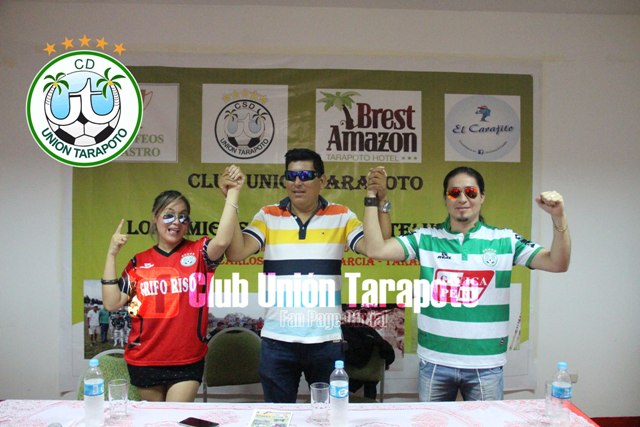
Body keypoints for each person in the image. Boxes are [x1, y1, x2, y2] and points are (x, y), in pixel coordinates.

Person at [364, 165, 571, 402]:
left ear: (482, 197)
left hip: (486, 365)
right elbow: (376, 249)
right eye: (455, 193)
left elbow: (558, 263)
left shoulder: (504, 240)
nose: (463, 199)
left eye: (471, 192)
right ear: (446, 198)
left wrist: (559, 217)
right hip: (435, 362)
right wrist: (372, 197)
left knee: (484, 421)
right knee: (433, 421)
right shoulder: (426, 239)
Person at [225, 148, 392, 403]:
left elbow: (376, 248)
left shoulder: (341, 215)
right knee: (279, 416)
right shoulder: (268, 215)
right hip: (277, 340)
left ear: (322, 180)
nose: (297, 182)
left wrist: (380, 201)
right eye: (291, 176)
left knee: (328, 415)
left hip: (326, 340)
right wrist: (232, 197)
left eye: (305, 175)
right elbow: (236, 253)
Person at [101, 165, 244, 402]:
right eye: (168, 215)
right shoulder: (139, 262)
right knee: (156, 420)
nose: (176, 222)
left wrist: (233, 192)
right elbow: (111, 302)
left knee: (176, 417)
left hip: (187, 360)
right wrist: (111, 254)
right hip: (145, 360)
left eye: (183, 216)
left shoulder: (199, 252)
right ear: (155, 218)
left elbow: (222, 241)